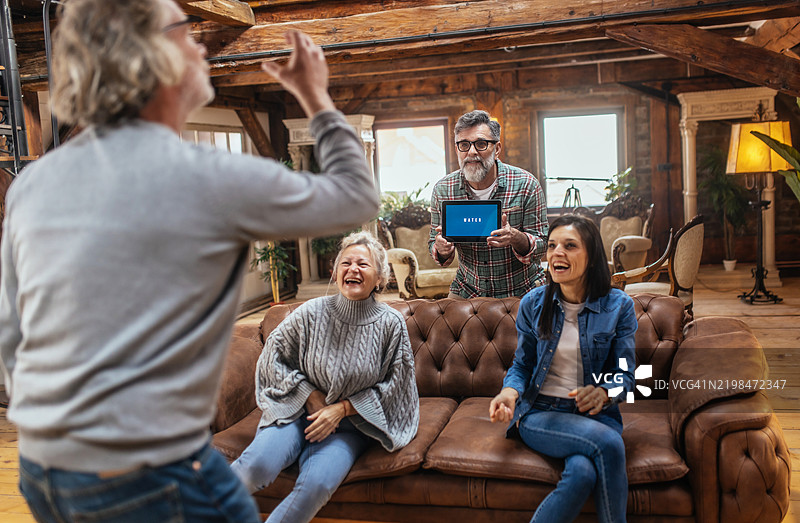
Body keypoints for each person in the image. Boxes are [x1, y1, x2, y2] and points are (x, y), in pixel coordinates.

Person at [0, 0, 379, 521]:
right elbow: (356, 197)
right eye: (184, 30)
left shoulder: (33, 184)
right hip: (142, 471)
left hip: (44, 466)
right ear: (148, 58)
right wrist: (314, 94)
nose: (200, 44)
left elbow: (12, 332)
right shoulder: (203, 176)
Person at [231, 231, 419, 522]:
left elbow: (398, 386)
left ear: (380, 277)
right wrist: (309, 395)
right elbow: (272, 357)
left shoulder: (390, 324)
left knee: (316, 486)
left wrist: (341, 410)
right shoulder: (310, 312)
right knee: (257, 466)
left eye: (363, 264)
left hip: (348, 428)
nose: (352, 269)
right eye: (346, 263)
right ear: (335, 271)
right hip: (296, 414)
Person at [489, 214, 637, 523]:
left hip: (595, 417)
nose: (558, 253)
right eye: (553, 245)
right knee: (610, 444)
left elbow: (626, 375)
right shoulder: (533, 304)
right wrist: (509, 392)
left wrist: (606, 392)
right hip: (541, 413)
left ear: (592, 257)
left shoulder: (619, 306)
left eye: (570, 246)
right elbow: (522, 364)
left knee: (583, 473)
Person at [428, 110, 548, 298]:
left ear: (497, 148)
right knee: (446, 327)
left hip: (523, 287)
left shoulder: (526, 184)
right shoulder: (443, 190)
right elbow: (433, 245)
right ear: (457, 148)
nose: (472, 152)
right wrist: (441, 249)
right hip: (468, 288)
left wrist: (515, 237)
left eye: (481, 144)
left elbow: (542, 244)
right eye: (464, 145)